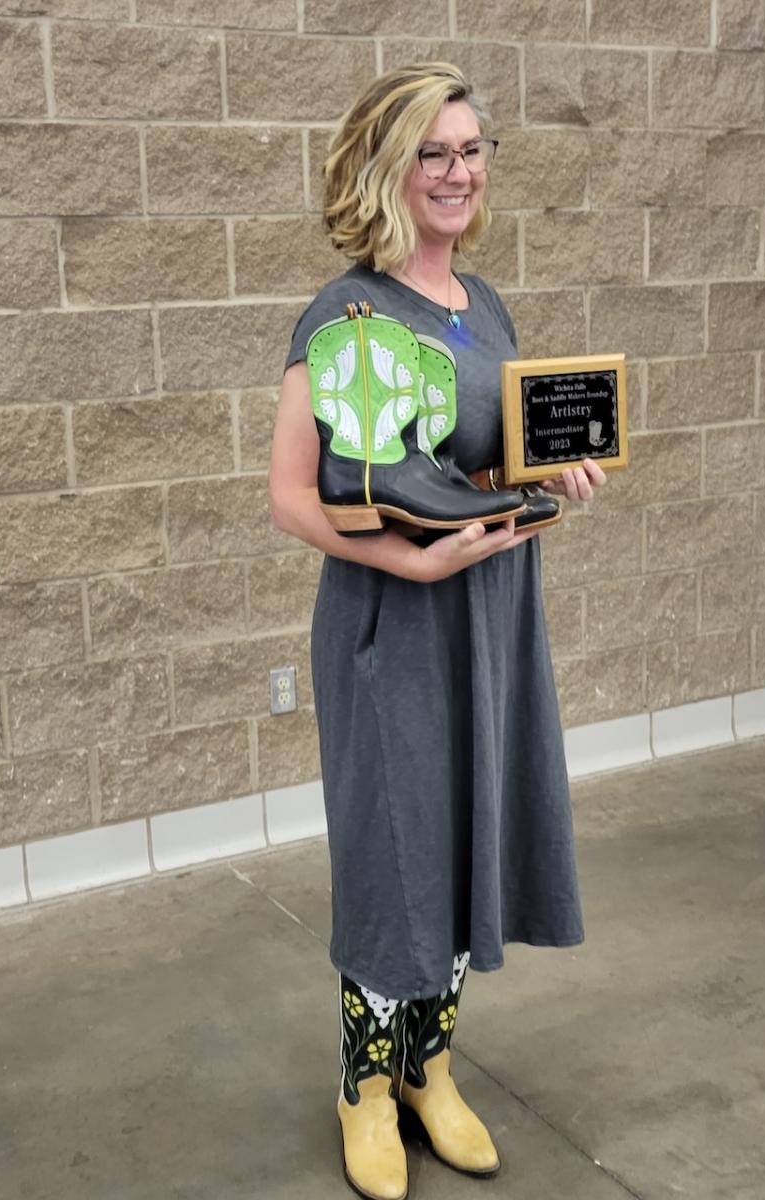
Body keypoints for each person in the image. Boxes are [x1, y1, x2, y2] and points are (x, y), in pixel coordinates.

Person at [268, 62, 605, 1200]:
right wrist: (407, 559)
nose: (458, 171)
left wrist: (556, 464)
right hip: (391, 624)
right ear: (389, 164)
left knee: (466, 836)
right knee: (393, 850)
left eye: (472, 149)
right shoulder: (342, 312)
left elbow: (469, 461)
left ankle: (429, 1068)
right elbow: (294, 497)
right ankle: (365, 1087)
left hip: (492, 613)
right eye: (435, 152)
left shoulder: (485, 303)